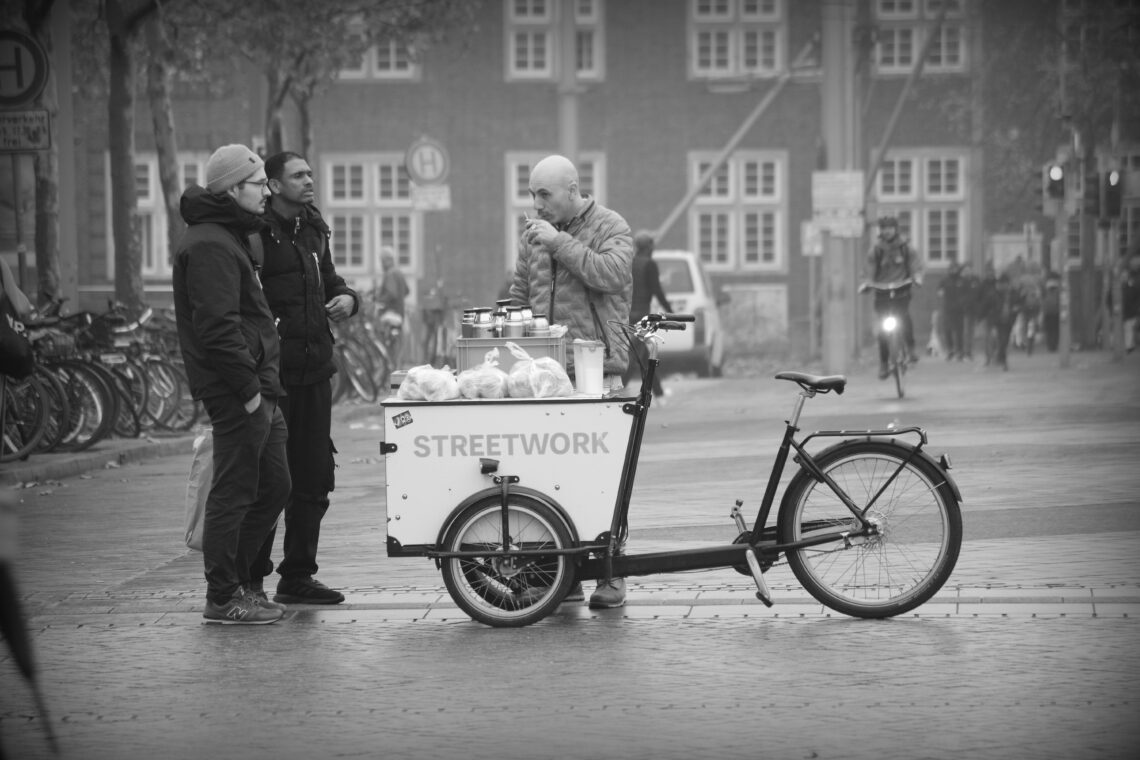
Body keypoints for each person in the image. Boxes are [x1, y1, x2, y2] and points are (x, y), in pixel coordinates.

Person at [508, 154, 633, 609]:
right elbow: (520, 295)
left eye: (544, 194)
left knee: (601, 478)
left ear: (573, 190)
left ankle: (610, 576)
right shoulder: (536, 238)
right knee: (543, 477)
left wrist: (559, 242)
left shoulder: (610, 225)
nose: (536, 204)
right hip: (545, 377)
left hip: (600, 373)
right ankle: (557, 576)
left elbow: (613, 275)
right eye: (531, 194)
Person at [172, 144, 289, 624]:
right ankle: (222, 597)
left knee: (275, 484)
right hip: (238, 390)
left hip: (259, 384)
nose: (267, 191)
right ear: (232, 188)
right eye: (259, 184)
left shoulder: (229, 235)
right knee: (233, 492)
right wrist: (249, 394)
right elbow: (216, 328)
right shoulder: (209, 244)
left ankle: (241, 582)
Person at [251, 151, 359, 606]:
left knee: (314, 476)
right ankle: (250, 579)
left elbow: (330, 280)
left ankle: (297, 575)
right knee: (270, 480)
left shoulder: (314, 227)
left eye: (310, 173)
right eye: (298, 176)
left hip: (316, 369)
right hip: (274, 376)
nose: (309, 180)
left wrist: (348, 299)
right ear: (273, 186)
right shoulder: (254, 233)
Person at [863, 215, 923, 379]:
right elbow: (870, 269)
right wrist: (867, 283)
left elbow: (914, 264)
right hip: (882, 292)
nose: (887, 231)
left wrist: (917, 277)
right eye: (883, 228)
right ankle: (883, 363)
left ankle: (910, 349)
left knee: (904, 317)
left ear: (896, 229)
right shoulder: (875, 250)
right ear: (880, 231)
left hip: (901, 290)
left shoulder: (906, 248)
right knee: (883, 329)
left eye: (890, 228)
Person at [622, 230, 672, 400]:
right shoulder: (649, 264)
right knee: (636, 355)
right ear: (649, 246)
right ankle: (618, 390)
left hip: (628, 313)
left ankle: (658, 393)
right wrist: (670, 311)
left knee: (643, 356)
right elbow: (656, 290)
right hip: (643, 315)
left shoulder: (630, 262)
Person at [938, 262, 966, 361]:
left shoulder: (962, 280)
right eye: (952, 268)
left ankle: (960, 351)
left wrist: (962, 302)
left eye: (955, 268)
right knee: (948, 330)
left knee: (959, 332)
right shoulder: (945, 280)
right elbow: (940, 293)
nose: (953, 270)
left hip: (959, 310)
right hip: (948, 309)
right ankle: (950, 350)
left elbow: (965, 293)